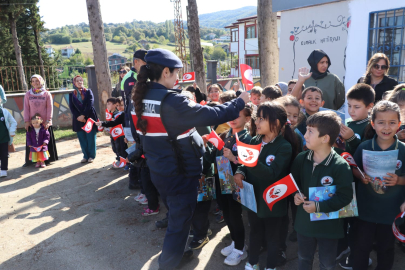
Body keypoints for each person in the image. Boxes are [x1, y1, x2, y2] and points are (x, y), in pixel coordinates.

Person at [131, 48, 250, 270]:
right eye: (176, 73)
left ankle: (177, 253)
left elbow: (152, 132)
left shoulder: (141, 96)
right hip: (180, 172)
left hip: (159, 168)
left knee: (177, 215)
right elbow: (212, 115)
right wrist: (239, 102)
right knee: (179, 221)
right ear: (165, 71)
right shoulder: (171, 100)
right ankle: (168, 264)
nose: (177, 78)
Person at [234, 101, 298, 270]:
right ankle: (252, 262)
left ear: (276, 123)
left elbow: (271, 174)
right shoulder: (255, 139)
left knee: (273, 236)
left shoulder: (284, 147)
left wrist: (250, 162)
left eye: (262, 119)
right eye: (257, 118)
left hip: (272, 200)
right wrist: (240, 171)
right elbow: (243, 162)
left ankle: (271, 266)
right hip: (253, 198)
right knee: (254, 231)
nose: (256, 122)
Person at [292, 111, 354, 270]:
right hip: (304, 225)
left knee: (327, 264)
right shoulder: (301, 159)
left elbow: (345, 197)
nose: (305, 135)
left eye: (310, 131)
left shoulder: (341, 165)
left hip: (329, 229)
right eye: (306, 130)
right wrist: (296, 195)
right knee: (303, 259)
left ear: (325, 138)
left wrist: (318, 207)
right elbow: (294, 185)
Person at [351, 100, 405, 270]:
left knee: (386, 249)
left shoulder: (403, 149)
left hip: (391, 211)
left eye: (392, 122)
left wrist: (399, 180)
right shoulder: (365, 146)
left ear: (399, 124)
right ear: (373, 124)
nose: (386, 127)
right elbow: (354, 168)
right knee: (360, 247)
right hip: (365, 209)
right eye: (381, 122)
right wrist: (362, 176)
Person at [200, 104, 253, 266]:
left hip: (235, 180)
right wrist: (207, 144)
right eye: (230, 115)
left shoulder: (248, 138)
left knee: (235, 214)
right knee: (227, 212)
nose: (233, 119)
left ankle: (240, 249)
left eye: (237, 116)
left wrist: (233, 158)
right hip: (221, 178)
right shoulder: (224, 135)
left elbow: (249, 164)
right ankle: (236, 242)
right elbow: (211, 159)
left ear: (247, 119)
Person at [23, 74, 58, 167]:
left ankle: (46, 160)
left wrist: (48, 120)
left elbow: (50, 108)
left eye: (37, 80)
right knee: (32, 140)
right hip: (32, 123)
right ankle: (32, 161)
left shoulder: (46, 94)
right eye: (33, 81)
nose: (35, 83)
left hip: (44, 123)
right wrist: (27, 121)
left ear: (41, 81)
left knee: (44, 141)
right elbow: (26, 108)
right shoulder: (28, 94)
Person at [68, 75, 98, 163]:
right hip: (78, 119)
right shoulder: (71, 94)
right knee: (82, 138)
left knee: (90, 137)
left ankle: (91, 156)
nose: (79, 82)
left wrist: (84, 115)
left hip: (89, 117)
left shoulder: (88, 92)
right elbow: (72, 107)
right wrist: (79, 117)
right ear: (74, 83)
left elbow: (90, 104)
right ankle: (85, 156)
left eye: (80, 80)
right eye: (77, 81)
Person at [340, 84, 375, 155]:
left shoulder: (371, 126)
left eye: (356, 107)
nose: (351, 111)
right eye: (349, 106)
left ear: (369, 106)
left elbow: (364, 154)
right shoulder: (345, 122)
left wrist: (351, 139)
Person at [96, 97, 128, 168]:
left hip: (124, 135)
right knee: (117, 148)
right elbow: (113, 122)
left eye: (121, 105)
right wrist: (102, 124)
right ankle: (122, 161)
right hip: (117, 135)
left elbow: (115, 123)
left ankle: (126, 163)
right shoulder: (117, 114)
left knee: (123, 149)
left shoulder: (124, 114)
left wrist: (103, 124)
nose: (119, 107)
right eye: (118, 105)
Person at [121, 49, 147, 127]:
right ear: (136, 61)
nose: (147, 65)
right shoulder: (130, 78)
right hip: (132, 117)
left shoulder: (141, 75)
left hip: (138, 116)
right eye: (144, 62)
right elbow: (132, 100)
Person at [0, 103, 17, 177]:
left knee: (4, 154)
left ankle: (3, 169)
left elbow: (13, 122)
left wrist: (12, 131)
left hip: (4, 137)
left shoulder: (5, 112)